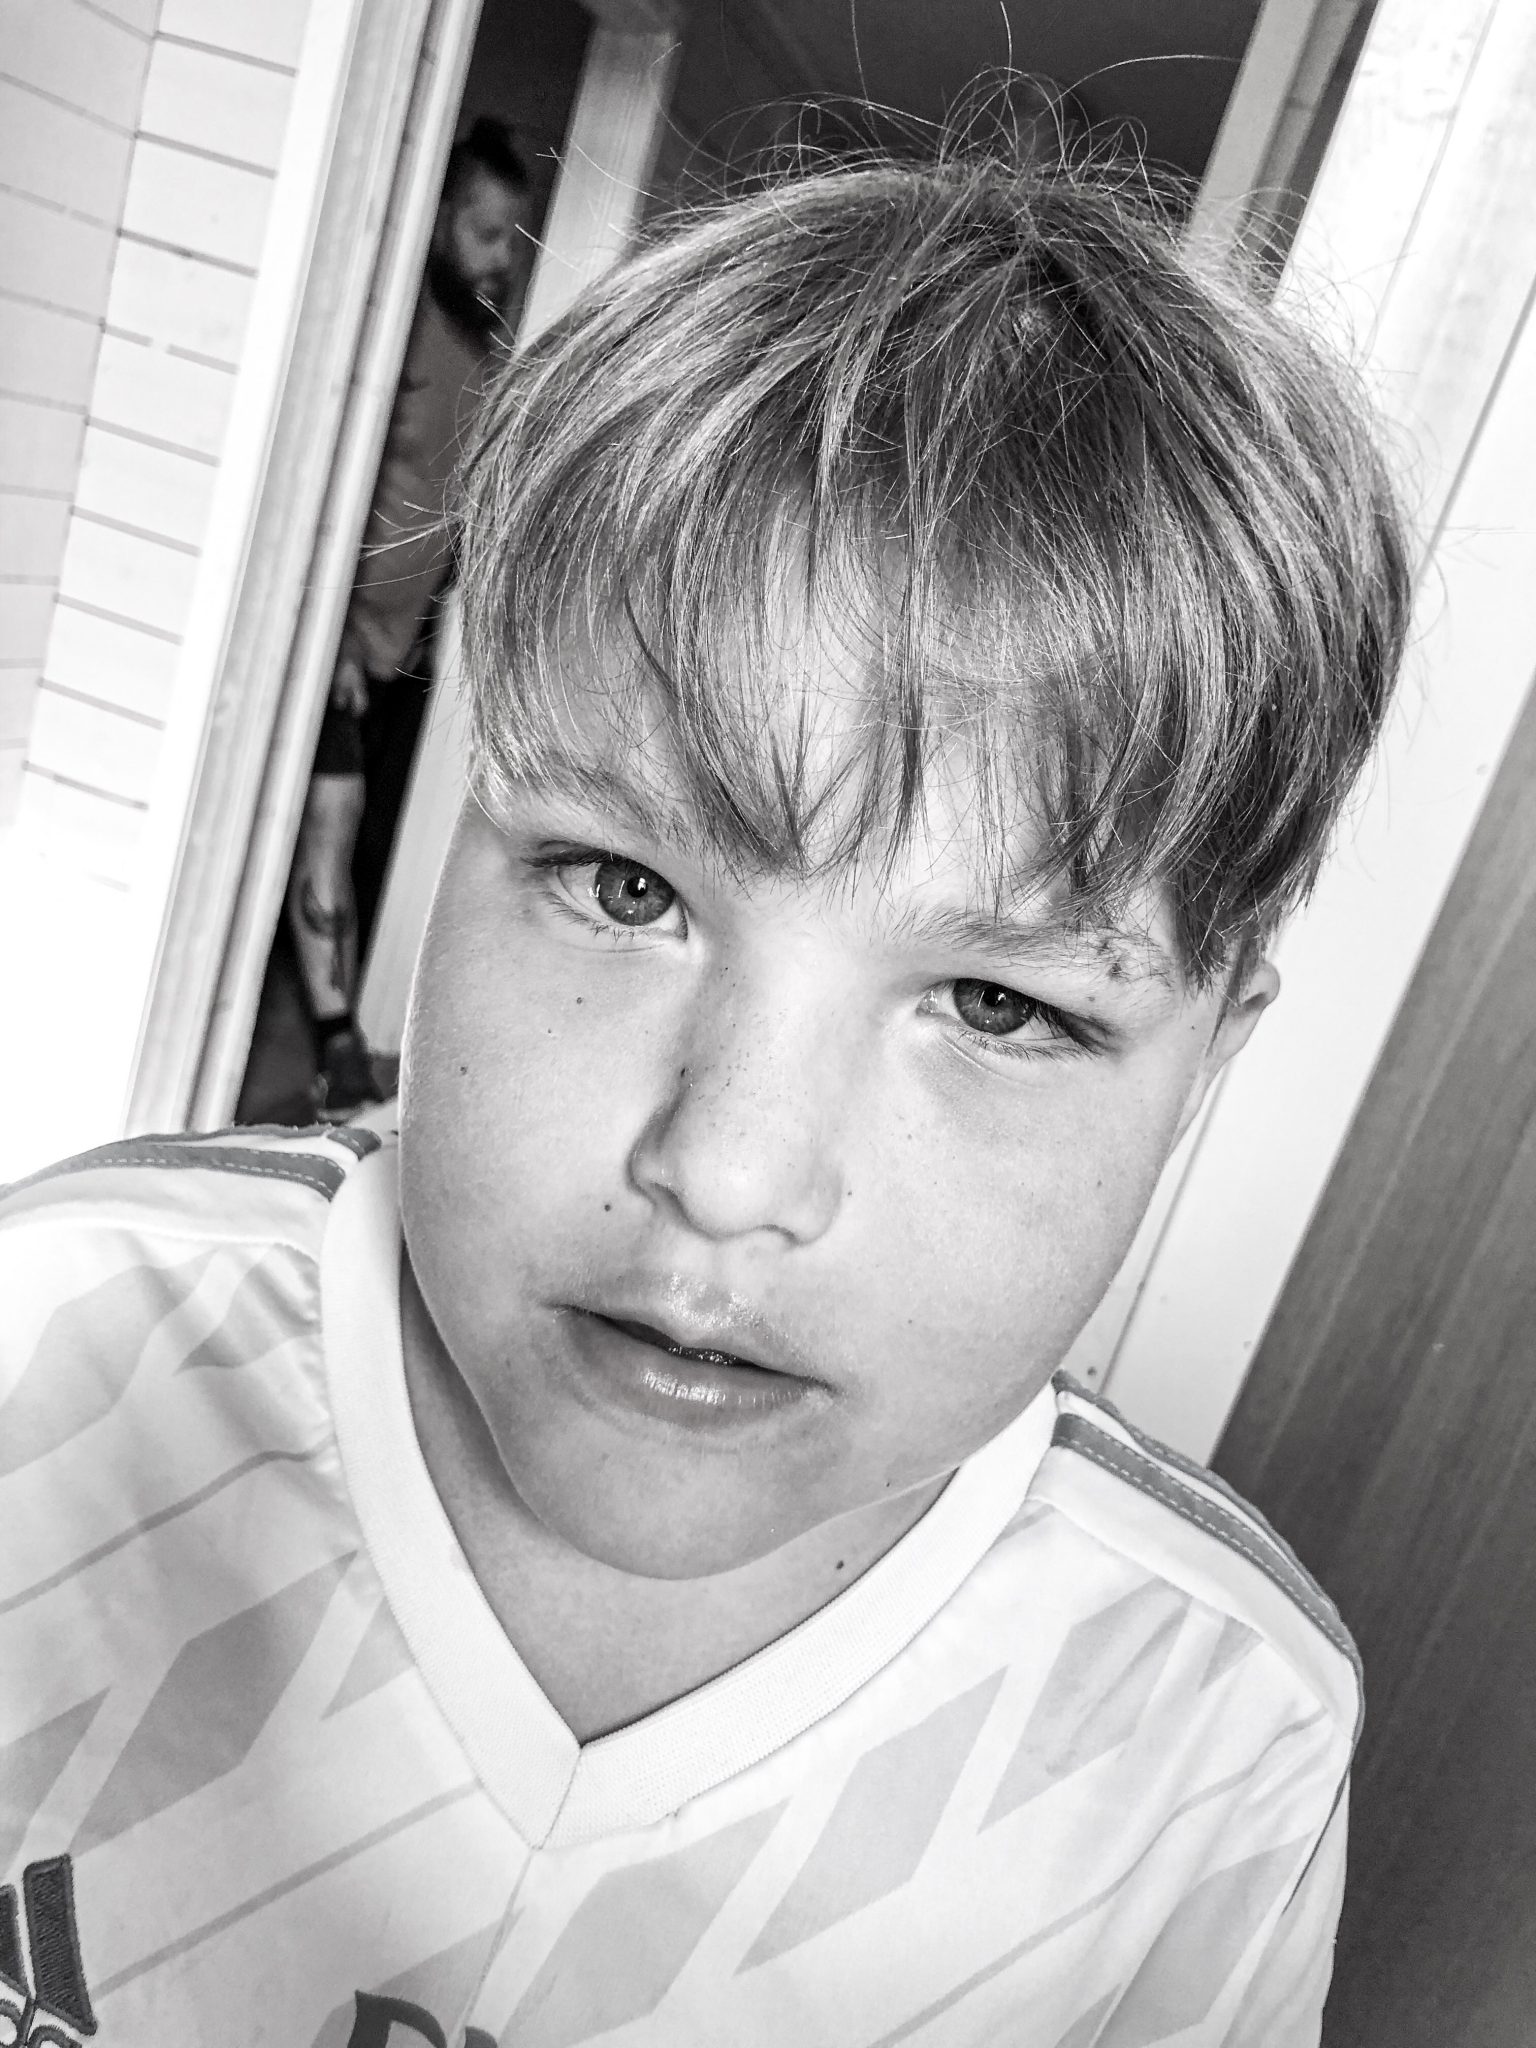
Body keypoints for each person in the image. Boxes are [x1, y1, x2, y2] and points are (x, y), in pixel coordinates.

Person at [0, 152, 1409, 2045]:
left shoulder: (1207, 1736)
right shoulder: (50, 1348)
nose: (728, 1172)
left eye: (1000, 1003)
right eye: (622, 886)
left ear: (1208, 1055)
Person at [289, 118, 533, 1121]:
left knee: (363, 834)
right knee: (330, 820)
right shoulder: (399, 329)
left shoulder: (481, 344)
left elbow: (445, 494)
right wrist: (334, 633)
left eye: (508, 237)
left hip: (403, 646)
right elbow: (342, 477)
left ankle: (333, 1026)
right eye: (486, 232)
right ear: (438, 219)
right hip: (338, 645)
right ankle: (337, 1049)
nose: (502, 257)